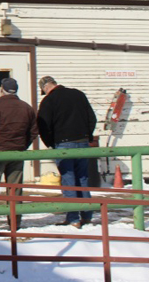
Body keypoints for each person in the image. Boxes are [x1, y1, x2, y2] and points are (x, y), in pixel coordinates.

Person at [36, 75, 98, 228]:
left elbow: (43, 125)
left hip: (63, 145)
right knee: (82, 179)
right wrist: (87, 136)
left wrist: (51, 143)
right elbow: (92, 118)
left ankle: (73, 218)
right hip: (82, 143)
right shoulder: (78, 94)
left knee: (68, 180)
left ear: (45, 87)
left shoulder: (48, 101)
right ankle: (87, 215)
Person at [0, 77, 37, 230]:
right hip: (17, 154)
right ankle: (15, 224)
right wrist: (22, 146)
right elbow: (33, 132)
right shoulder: (26, 108)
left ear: (2, 89)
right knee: (15, 190)